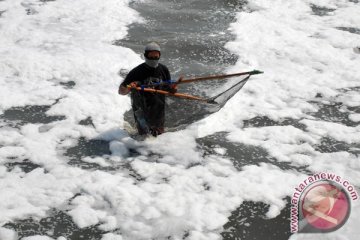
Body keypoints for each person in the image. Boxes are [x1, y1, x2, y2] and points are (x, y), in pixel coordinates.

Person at [118, 42, 178, 136]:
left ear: (159, 56)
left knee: (159, 134)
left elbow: (167, 88)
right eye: (151, 56)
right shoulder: (136, 72)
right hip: (140, 108)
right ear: (145, 55)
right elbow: (121, 91)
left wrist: (172, 89)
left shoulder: (164, 70)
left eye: (156, 56)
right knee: (144, 136)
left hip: (158, 107)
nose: (153, 59)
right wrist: (130, 86)